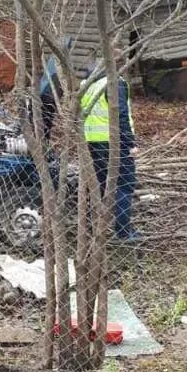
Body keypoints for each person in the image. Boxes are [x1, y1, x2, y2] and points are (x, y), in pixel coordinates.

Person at [81, 69, 139, 242]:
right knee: (124, 185)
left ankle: (95, 227)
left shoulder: (87, 84)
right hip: (114, 143)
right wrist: (130, 143)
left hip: (91, 142)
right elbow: (120, 115)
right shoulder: (114, 84)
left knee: (98, 185)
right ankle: (123, 232)